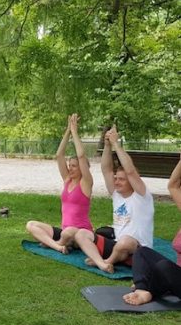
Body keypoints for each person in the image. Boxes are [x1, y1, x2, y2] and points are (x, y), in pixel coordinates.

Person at [74, 125, 154, 273]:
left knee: (125, 242)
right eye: (116, 178)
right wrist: (107, 145)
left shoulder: (142, 196)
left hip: (139, 251)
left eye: (121, 179)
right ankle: (102, 263)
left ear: (131, 181)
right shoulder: (117, 194)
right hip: (117, 246)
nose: (116, 182)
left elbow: (130, 170)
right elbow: (106, 169)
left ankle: (108, 261)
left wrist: (116, 144)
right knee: (80, 233)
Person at [26, 114, 93, 253]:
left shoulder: (86, 183)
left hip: (80, 233)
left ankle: (55, 243)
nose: (70, 168)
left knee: (67, 232)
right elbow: (59, 155)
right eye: (70, 165)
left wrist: (74, 132)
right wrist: (68, 130)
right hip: (63, 230)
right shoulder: (67, 180)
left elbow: (81, 155)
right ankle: (58, 246)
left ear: (82, 167)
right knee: (31, 225)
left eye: (74, 166)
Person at [123, 154, 181, 305]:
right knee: (142, 251)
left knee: (164, 267)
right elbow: (173, 185)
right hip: (177, 273)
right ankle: (142, 288)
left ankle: (149, 292)